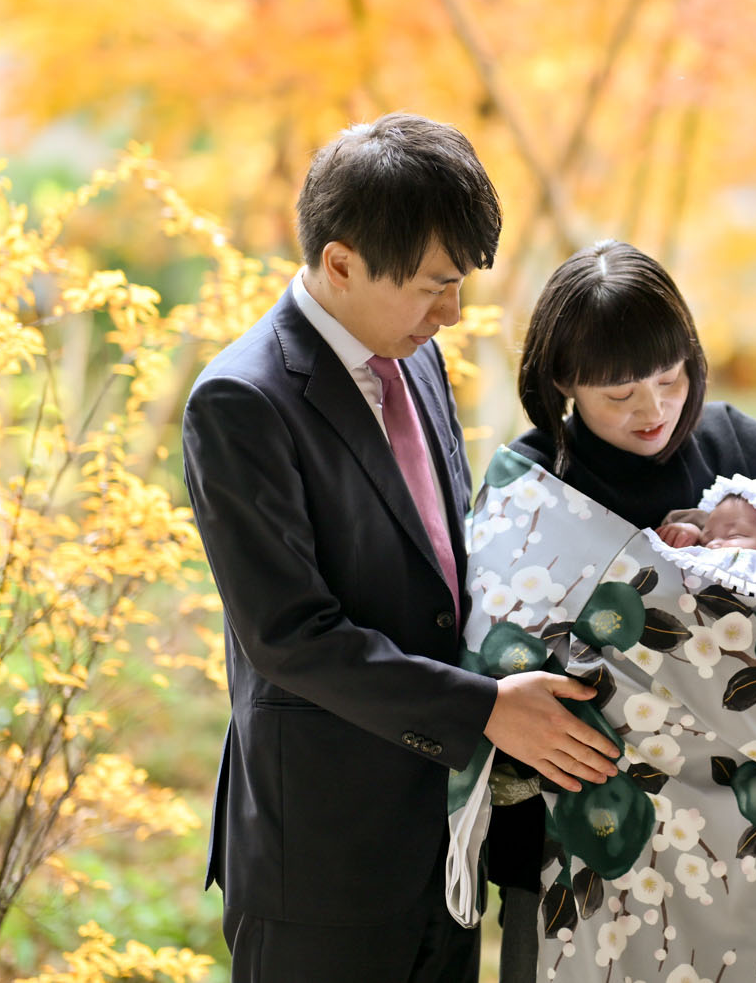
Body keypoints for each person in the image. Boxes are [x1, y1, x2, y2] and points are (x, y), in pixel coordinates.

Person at [181, 115, 623, 983]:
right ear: (341, 263)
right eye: (433, 287)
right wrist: (484, 708)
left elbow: (444, 565)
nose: (451, 314)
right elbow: (290, 636)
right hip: (324, 859)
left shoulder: (413, 356)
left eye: (458, 285)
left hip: (445, 840)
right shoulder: (241, 402)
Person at [487, 240, 756, 983]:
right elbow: (499, 654)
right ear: (563, 379)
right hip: (590, 839)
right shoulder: (528, 489)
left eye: (670, 378)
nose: (654, 409)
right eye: (620, 393)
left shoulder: (742, 449)